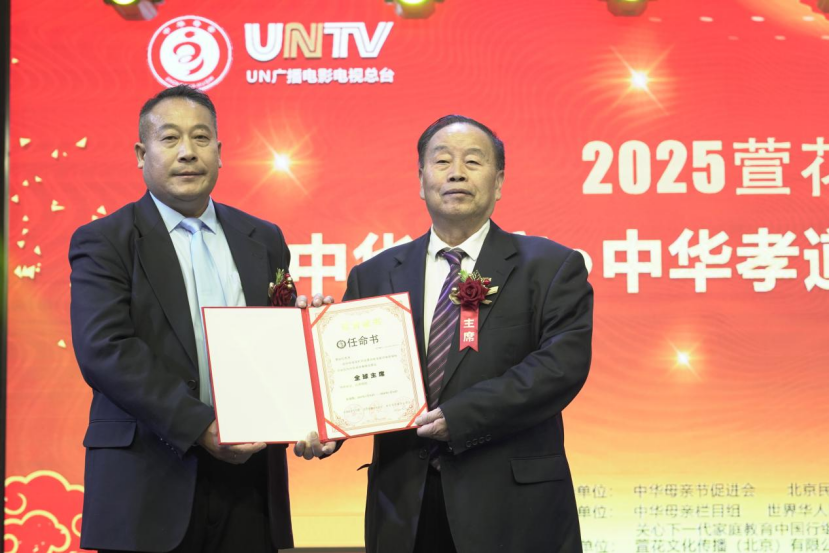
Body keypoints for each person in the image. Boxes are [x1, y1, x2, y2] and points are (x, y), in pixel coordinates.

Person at [69, 85, 328, 553]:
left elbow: (276, 343)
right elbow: (104, 350)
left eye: (201, 137)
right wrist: (200, 426)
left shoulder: (263, 237)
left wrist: (312, 348)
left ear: (220, 152)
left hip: (249, 481)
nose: (188, 152)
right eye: (170, 138)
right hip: (147, 479)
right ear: (141, 154)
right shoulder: (105, 240)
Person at [341, 115, 593, 553]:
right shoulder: (374, 275)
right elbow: (347, 377)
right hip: (404, 508)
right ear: (421, 180)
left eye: (473, 162)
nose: (456, 172)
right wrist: (324, 426)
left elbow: (560, 368)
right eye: (442, 161)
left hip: (512, 509)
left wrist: (460, 416)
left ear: (499, 182)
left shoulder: (551, 266)